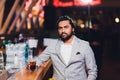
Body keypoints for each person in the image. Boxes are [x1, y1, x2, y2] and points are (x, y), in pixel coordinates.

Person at [36, 15, 97, 80]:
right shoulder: (52, 45)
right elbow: (39, 60)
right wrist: (33, 65)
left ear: (73, 29)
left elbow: (92, 71)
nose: (63, 30)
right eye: (60, 28)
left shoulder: (84, 45)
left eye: (66, 27)